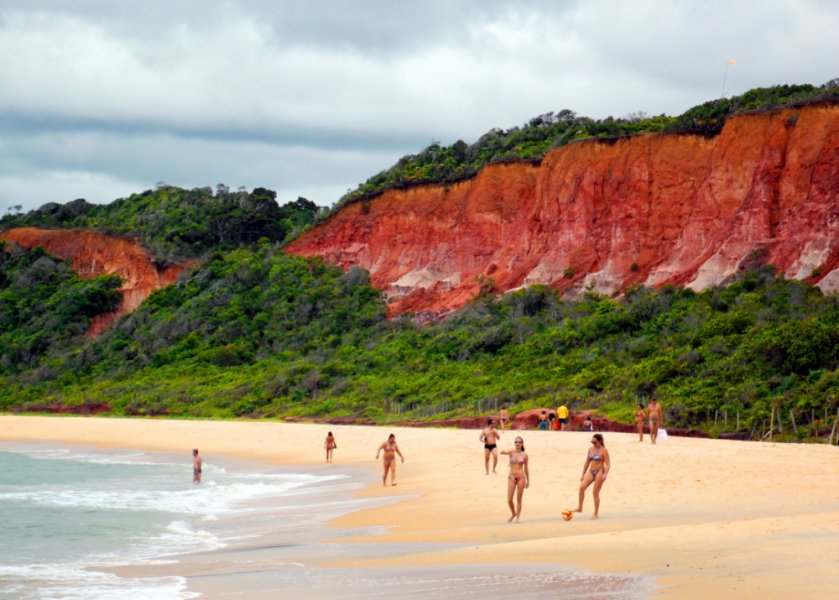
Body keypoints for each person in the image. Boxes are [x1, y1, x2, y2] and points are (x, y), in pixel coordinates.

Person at [573, 433, 609, 519]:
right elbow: (587, 463)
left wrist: (605, 474)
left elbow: (608, 464)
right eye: (592, 442)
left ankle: (596, 513)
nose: (593, 444)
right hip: (591, 471)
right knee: (581, 488)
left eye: (595, 442)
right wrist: (583, 474)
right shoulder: (590, 449)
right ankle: (580, 507)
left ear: (600, 441)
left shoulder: (604, 450)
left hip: (600, 471)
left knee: (595, 492)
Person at [500, 436, 529, 523]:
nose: (518, 443)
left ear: (522, 444)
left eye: (519, 442)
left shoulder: (525, 455)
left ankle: (518, 517)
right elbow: (501, 452)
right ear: (514, 443)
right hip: (511, 477)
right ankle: (513, 513)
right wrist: (505, 451)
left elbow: (526, 468)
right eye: (516, 442)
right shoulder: (511, 452)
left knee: (519, 499)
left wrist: (528, 481)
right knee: (509, 499)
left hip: (521, 477)